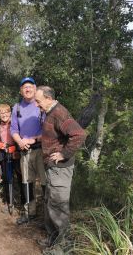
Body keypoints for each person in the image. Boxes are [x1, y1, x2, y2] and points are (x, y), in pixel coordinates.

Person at [34, 86, 86, 252]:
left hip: (61, 169)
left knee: (59, 206)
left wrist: (63, 154)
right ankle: (53, 239)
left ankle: (63, 247)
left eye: (38, 101)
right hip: (52, 168)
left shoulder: (59, 113)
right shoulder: (49, 112)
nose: (36, 105)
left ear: (48, 98)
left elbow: (79, 134)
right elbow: (55, 135)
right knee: (50, 202)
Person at [10, 77, 47, 225]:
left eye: (30, 86)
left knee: (45, 183)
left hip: (41, 149)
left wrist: (33, 139)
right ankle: (29, 213)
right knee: (27, 183)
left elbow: (48, 130)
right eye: (24, 87)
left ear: (35, 88)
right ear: (21, 91)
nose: (27, 89)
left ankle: (47, 215)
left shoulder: (41, 105)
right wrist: (19, 141)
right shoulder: (17, 107)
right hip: (24, 151)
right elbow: (13, 129)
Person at [0, 104, 21, 212]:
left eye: (6, 112)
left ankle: (23, 201)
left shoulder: (15, 123)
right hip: (5, 153)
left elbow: (21, 136)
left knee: (20, 177)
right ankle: (8, 201)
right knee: (7, 178)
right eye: (2, 113)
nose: (4, 114)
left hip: (16, 152)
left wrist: (16, 148)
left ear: (10, 113)